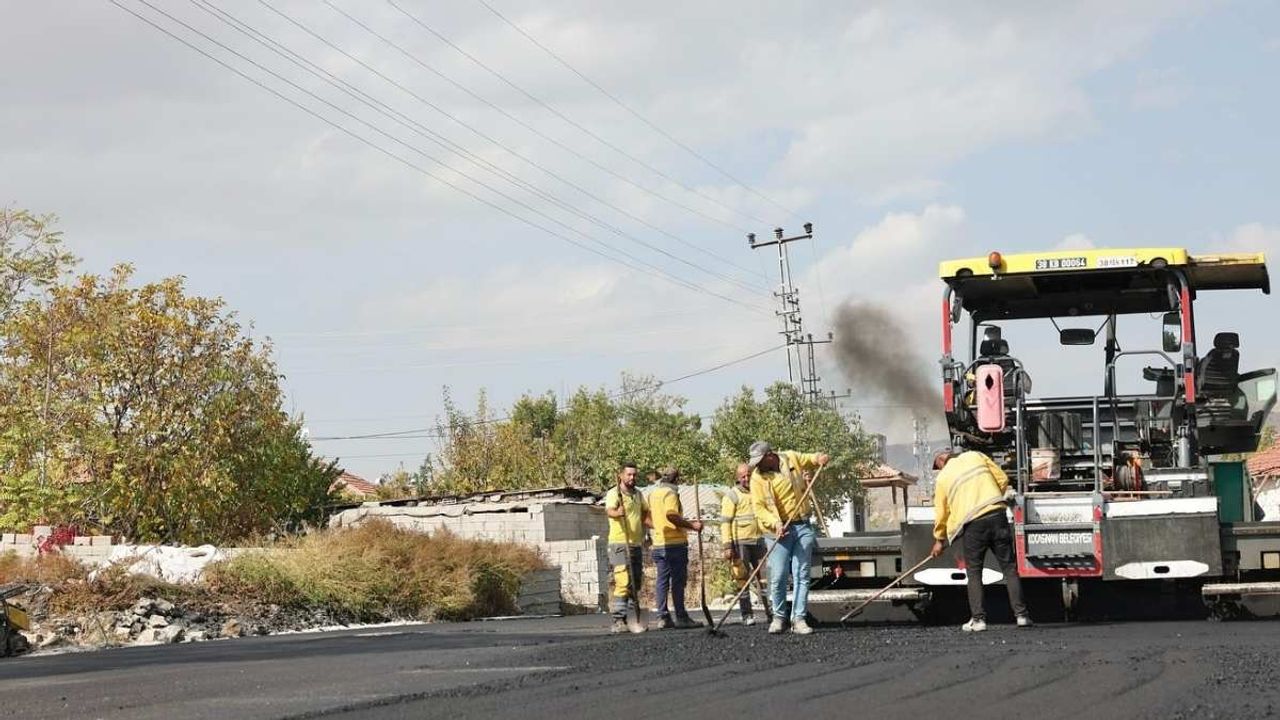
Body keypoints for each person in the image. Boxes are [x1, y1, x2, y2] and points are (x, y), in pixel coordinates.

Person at [929, 448, 1031, 632]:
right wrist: (991, 499)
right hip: (997, 515)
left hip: (973, 524)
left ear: (942, 460)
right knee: (1009, 568)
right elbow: (1002, 479)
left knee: (974, 572)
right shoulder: (976, 455)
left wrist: (939, 539)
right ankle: (1022, 616)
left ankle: (978, 620)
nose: (939, 469)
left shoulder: (943, 478)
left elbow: (941, 512)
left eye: (938, 466)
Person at [748, 441, 829, 635]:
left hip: (802, 525)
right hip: (776, 530)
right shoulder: (757, 478)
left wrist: (819, 458)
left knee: (802, 574)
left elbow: (809, 458)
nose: (757, 465)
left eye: (760, 460)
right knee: (778, 576)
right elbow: (759, 508)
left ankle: (799, 619)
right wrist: (775, 523)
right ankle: (779, 617)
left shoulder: (790, 457)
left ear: (770, 455)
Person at [648, 467, 705, 629]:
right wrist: (692, 526)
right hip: (674, 544)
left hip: (659, 542)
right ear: (676, 479)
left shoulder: (654, 494)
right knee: (678, 581)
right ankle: (681, 616)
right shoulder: (670, 493)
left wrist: (660, 528)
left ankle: (663, 617)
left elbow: (649, 517)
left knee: (662, 581)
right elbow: (671, 515)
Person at [720, 462, 768, 625]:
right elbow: (725, 522)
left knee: (765, 579)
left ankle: (772, 613)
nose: (747, 478)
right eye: (743, 476)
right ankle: (747, 615)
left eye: (749, 474)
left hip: (760, 541)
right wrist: (728, 546)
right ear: (737, 478)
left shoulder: (758, 491)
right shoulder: (732, 496)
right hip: (740, 543)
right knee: (742, 579)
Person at [604, 462, 648, 634]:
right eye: (629, 474)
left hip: (635, 543)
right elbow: (609, 511)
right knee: (622, 580)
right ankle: (618, 620)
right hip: (619, 543)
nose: (632, 478)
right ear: (621, 475)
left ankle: (632, 617)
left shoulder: (638, 494)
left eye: (634, 475)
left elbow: (645, 511)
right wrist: (618, 512)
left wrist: (647, 528)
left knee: (635, 581)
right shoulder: (614, 493)